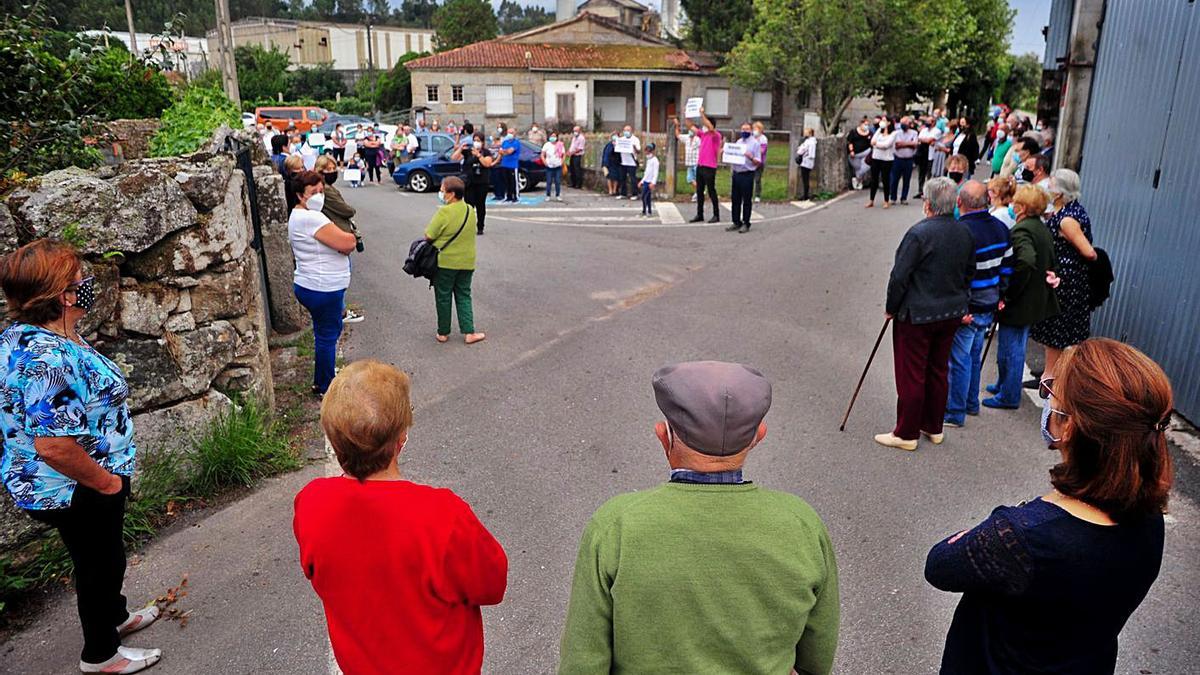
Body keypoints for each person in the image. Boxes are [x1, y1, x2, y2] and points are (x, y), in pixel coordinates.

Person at [559, 361, 839, 675]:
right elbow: (817, 656)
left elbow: (582, 662)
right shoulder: (801, 524)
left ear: (664, 435)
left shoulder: (615, 525)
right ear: (758, 436)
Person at [927, 338, 1173, 674]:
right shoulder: (1149, 520)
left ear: (1069, 426)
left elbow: (940, 564)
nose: (1047, 394)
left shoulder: (1023, 538)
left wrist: (1018, 518)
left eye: (1053, 389)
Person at [0, 241, 163, 674]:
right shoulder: (45, 357)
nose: (88, 285)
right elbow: (53, 446)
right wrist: (106, 483)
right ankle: (101, 655)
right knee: (99, 563)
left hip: (74, 480)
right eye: (80, 281)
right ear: (64, 296)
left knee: (104, 555)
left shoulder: (40, 335)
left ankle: (116, 618)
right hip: (74, 485)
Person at [294, 360, 507, 675]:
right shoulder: (442, 516)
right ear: (401, 438)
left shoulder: (311, 504)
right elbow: (492, 583)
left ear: (333, 440)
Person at [876, 177, 976, 451]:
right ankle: (933, 426)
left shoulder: (918, 234)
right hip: (951, 312)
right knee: (938, 369)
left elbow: (899, 277)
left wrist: (891, 307)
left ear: (928, 204)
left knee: (912, 373)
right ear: (954, 203)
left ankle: (907, 432)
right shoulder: (965, 232)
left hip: (918, 315)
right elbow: (969, 272)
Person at [983, 185, 1060, 410]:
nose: (1013, 205)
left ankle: (1008, 395)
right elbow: (1050, 260)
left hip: (1021, 300)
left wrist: (1010, 292)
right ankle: (1003, 384)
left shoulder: (1022, 230)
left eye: (1016, 203)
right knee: (1015, 343)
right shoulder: (1041, 228)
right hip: (1035, 298)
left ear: (1023, 207)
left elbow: (1026, 260)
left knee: (1011, 347)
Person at [943, 181, 1012, 428]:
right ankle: (971, 402)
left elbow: (956, 277)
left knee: (958, 359)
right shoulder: (1002, 228)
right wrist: (1001, 296)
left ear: (959, 203)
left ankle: (955, 411)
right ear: (987, 201)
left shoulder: (960, 231)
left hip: (968, 308)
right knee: (972, 355)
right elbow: (1007, 268)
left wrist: (958, 309)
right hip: (989, 303)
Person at [289, 170, 357, 396]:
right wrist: (352, 238)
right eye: (313, 192)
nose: (319, 195)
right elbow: (346, 242)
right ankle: (327, 385)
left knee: (323, 333)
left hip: (312, 283)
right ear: (300, 195)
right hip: (323, 286)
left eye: (321, 191)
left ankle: (322, 378)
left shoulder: (299, 215)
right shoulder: (312, 218)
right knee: (328, 335)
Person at [1029, 169, 1098, 382]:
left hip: (1065, 282)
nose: (1047, 189)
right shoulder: (1067, 211)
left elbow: (1089, 252)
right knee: (1059, 332)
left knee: (1056, 332)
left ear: (1059, 193)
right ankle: (1055, 374)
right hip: (1064, 279)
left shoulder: (1067, 219)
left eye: (1051, 186)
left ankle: (1050, 378)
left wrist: (1067, 264)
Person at [425, 177, 486, 344]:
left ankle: (443, 332)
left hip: (446, 262)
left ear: (451, 194)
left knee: (443, 296)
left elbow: (429, 235)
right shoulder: (469, 211)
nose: (441, 193)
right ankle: (469, 332)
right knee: (464, 294)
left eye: (443, 191)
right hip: (467, 261)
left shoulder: (444, 212)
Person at [452, 133, 495, 235]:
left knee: (480, 205)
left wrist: (479, 155)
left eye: (478, 140)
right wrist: (460, 149)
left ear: (483, 142)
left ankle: (480, 226)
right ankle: (468, 226)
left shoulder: (486, 152)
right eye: (475, 140)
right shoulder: (468, 152)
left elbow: (487, 163)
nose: (476, 142)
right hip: (469, 183)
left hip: (482, 183)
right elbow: (454, 158)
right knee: (469, 206)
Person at [689, 107, 723, 223]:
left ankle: (716, 214)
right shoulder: (703, 135)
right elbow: (691, 127)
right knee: (699, 191)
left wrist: (702, 114)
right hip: (701, 165)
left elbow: (710, 127)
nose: (703, 125)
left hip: (710, 167)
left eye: (705, 123)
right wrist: (687, 114)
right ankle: (700, 214)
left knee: (711, 190)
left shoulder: (716, 135)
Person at [728, 122, 762, 233]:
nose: (744, 131)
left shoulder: (755, 144)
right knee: (735, 199)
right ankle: (736, 221)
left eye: (747, 129)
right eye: (742, 129)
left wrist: (750, 157)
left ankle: (746, 223)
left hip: (747, 173)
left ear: (751, 130)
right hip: (737, 173)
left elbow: (758, 162)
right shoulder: (739, 142)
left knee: (746, 200)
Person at [866, 116, 896, 208]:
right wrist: (877, 144)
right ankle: (871, 200)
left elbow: (886, 145)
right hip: (876, 158)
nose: (881, 122)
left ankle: (886, 200)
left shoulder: (893, 133)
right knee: (874, 179)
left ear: (889, 122)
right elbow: (872, 141)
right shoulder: (879, 131)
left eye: (884, 120)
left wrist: (877, 144)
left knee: (885, 179)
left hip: (887, 159)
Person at [890, 116, 919, 205]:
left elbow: (915, 144)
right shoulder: (896, 133)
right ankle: (893, 198)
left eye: (906, 122)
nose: (904, 124)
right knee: (894, 179)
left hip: (909, 159)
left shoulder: (914, 133)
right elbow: (896, 145)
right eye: (903, 122)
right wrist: (908, 144)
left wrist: (903, 144)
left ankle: (904, 198)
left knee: (907, 180)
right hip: (898, 159)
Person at [674, 118, 701, 201]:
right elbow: (678, 135)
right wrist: (677, 125)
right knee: (689, 179)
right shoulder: (687, 138)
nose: (690, 131)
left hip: (697, 162)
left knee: (697, 179)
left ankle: (698, 193)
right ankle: (699, 191)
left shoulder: (698, 139)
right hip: (689, 163)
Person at [847, 117, 872, 190]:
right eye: (865, 124)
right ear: (861, 124)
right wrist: (851, 151)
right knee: (858, 167)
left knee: (866, 167)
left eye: (867, 125)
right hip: (855, 154)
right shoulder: (854, 132)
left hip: (866, 152)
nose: (866, 126)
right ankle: (859, 181)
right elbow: (850, 142)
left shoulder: (869, 133)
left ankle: (857, 179)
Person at [616, 125, 641, 200]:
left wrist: (634, 147)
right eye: (625, 130)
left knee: (633, 179)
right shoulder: (621, 139)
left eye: (628, 130)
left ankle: (635, 194)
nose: (626, 132)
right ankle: (623, 193)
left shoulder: (635, 139)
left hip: (632, 162)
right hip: (623, 162)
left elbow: (639, 151)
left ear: (631, 131)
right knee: (622, 178)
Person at [498, 124, 521, 203]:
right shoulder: (505, 142)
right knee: (506, 182)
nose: (510, 134)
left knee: (513, 182)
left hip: (513, 165)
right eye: (509, 132)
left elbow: (510, 151)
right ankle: (508, 196)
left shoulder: (516, 142)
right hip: (504, 164)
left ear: (515, 134)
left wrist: (505, 151)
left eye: (512, 132)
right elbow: (501, 151)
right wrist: (505, 151)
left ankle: (515, 196)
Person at [916, 117, 938, 197]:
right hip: (922, 154)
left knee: (929, 173)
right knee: (921, 173)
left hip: (931, 155)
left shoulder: (937, 131)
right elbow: (919, 138)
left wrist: (925, 140)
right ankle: (920, 190)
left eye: (929, 121)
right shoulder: (924, 130)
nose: (927, 123)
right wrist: (926, 140)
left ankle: (928, 192)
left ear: (933, 123)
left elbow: (930, 140)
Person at [541, 132, 565, 201]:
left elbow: (563, 154)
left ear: (557, 137)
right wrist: (544, 162)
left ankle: (558, 195)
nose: (553, 137)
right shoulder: (547, 145)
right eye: (551, 136)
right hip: (549, 166)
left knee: (557, 181)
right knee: (549, 181)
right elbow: (542, 154)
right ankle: (548, 195)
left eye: (554, 136)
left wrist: (562, 162)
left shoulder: (560, 145)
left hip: (558, 166)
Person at [795, 127, 817, 201]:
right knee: (806, 179)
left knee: (805, 179)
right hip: (810, 163)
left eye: (806, 132)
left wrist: (800, 149)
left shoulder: (808, 142)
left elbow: (800, 151)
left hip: (805, 162)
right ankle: (806, 194)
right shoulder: (813, 142)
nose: (804, 133)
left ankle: (805, 195)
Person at [637, 142, 659, 218]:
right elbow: (647, 173)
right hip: (646, 181)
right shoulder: (649, 160)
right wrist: (642, 181)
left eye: (648, 151)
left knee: (644, 197)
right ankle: (647, 211)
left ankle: (647, 211)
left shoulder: (655, 160)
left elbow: (655, 173)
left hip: (650, 182)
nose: (647, 153)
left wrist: (653, 182)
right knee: (647, 197)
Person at [752, 121, 768, 203]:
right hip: (750, 161)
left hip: (759, 162)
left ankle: (757, 195)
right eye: (753, 128)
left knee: (757, 179)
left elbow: (762, 150)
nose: (754, 130)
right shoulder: (751, 138)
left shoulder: (763, 139)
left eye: (756, 128)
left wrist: (753, 152)